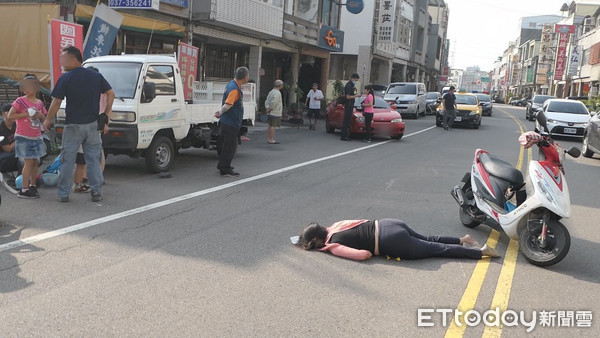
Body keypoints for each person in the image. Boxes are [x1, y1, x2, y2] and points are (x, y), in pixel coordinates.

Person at [45, 46, 114, 203]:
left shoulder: (66, 78)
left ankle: (63, 194)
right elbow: (110, 93)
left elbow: (56, 101)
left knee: (67, 160)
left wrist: (48, 119)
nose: (61, 61)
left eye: (63, 58)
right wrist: (106, 114)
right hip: (92, 125)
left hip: (73, 125)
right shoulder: (96, 76)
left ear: (73, 58)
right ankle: (96, 192)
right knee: (93, 160)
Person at [298, 219, 499, 261]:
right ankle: (463, 239)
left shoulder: (334, 245)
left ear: (316, 241)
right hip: (389, 223)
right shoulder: (337, 224)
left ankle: (480, 251)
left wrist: (328, 248)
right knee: (427, 238)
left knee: (436, 249)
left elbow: (364, 255)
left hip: (389, 241)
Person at [7, 74, 47, 199]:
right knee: (28, 162)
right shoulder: (20, 101)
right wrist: (25, 114)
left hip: (36, 136)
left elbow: (43, 118)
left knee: (35, 162)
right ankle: (24, 189)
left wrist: (40, 115)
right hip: (23, 136)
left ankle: (33, 185)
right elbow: (10, 116)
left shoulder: (39, 103)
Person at [214, 67, 249, 177]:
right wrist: (220, 112)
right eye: (247, 75)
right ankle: (225, 168)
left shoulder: (231, 84)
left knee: (227, 146)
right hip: (230, 122)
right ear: (244, 77)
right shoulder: (234, 89)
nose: (248, 77)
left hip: (227, 121)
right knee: (230, 147)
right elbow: (228, 104)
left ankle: (222, 165)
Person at [340, 73, 361, 141]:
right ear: (352, 78)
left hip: (350, 104)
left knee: (348, 121)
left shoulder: (351, 86)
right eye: (355, 80)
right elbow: (348, 97)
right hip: (348, 104)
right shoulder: (349, 85)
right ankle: (344, 136)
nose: (356, 82)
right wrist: (356, 96)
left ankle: (346, 135)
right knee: (346, 121)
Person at [0, 103, 19, 175]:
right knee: (21, 157)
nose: (12, 115)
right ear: (3, 114)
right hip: (3, 155)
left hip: (13, 152)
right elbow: (7, 149)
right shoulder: (1, 129)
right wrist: (18, 138)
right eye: (10, 112)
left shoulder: (16, 125)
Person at [265, 80, 283, 144]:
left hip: (270, 112)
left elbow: (267, 101)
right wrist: (270, 108)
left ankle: (269, 138)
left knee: (270, 125)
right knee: (273, 126)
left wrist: (267, 108)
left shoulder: (271, 91)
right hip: (275, 111)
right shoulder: (278, 93)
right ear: (280, 85)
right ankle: (271, 139)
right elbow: (274, 102)